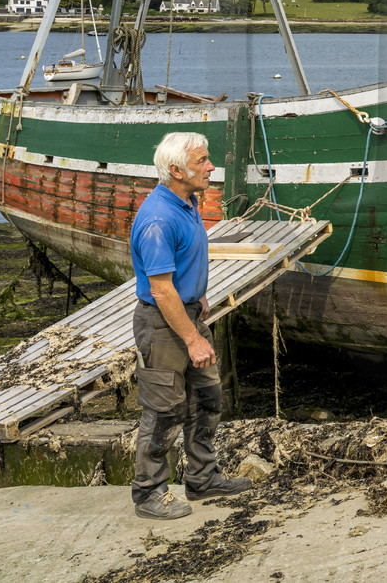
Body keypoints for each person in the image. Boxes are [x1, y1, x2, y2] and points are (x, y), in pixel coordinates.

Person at [129, 131, 253, 519]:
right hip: (165, 324)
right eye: (202, 161)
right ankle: (148, 493)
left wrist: (197, 296)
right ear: (176, 170)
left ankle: (202, 477)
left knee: (206, 398)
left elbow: (182, 268)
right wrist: (192, 338)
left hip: (189, 314)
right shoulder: (157, 219)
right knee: (163, 409)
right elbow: (161, 290)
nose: (211, 167)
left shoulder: (186, 201)